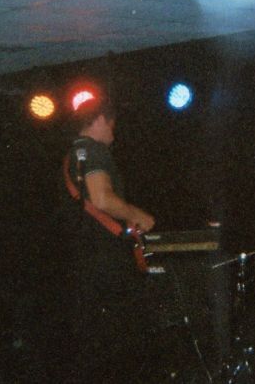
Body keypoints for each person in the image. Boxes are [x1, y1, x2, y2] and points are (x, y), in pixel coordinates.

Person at [56, 93, 158, 382]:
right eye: (112, 124)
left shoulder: (73, 154)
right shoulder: (95, 151)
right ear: (99, 119)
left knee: (90, 342)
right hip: (105, 261)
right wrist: (138, 215)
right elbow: (101, 198)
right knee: (116, 340)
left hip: (82, 259)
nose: (114, 132)